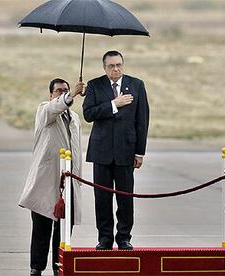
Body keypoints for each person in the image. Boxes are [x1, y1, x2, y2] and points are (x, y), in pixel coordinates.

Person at [82, 50, 149, 251]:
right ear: (104, 67)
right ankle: (104, 238)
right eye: (111, 66)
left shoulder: (136, 85)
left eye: (119, 64)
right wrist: (113, 104)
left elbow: (142, 120)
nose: (116, 69)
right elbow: (88, 114)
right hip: (101, 152)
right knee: (102, 198)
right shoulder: (95, 85)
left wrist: (140, 152)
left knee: (125, 197)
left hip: (126, 152)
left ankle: (124, 238)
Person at [19, 78, 84, 276]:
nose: (62, 93)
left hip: (69, 182)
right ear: (51, 95)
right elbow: (55, 108)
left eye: (65, 90)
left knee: (64, 230)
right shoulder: (44, 111)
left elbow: (77, 150)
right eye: (58, 91)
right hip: (46, 182)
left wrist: (78, 179)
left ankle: (59, 266)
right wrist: (71, 94)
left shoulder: (74, 118)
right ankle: (36, 268)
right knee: (42, 228)